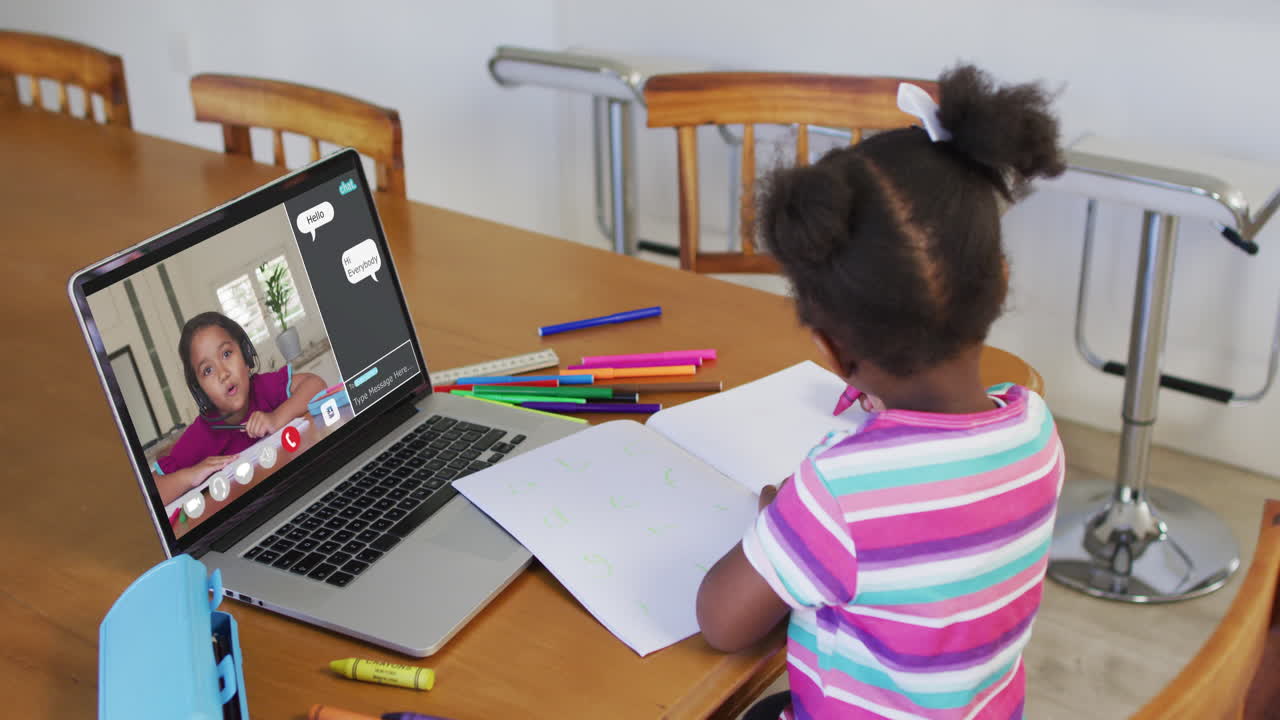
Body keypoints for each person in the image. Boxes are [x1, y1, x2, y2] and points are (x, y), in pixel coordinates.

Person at [696, 64, 1068, 719]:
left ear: (831, 348)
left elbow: (721, 622)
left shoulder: (837, 496)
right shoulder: (1037, 428)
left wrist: (778, 525)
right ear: (1000, 281)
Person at [152, 312, 325, 504]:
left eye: (226, 354)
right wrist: (192, 475)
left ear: (245, 354)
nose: (223, 373)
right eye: (207, 370)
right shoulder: (202, 434)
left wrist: (276, 418)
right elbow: (154, 491)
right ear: (200, 390)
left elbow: (315, 383)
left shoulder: (262, 388)